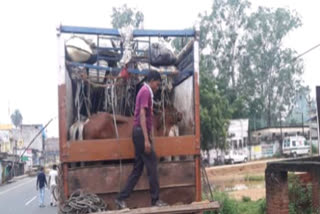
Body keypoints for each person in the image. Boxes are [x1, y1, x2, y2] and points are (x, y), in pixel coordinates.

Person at [115, 71, 168, 209]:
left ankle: (121, 198)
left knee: (138, 169)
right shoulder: (145, 91)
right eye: (157, 83)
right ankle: (155, 200)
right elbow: (142, 115)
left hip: (138, 133)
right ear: (152, 80)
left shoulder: (145, 91)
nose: (158, 87)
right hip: (140, 134)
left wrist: (148, 136)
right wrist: (146, 139)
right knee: (152, 164)